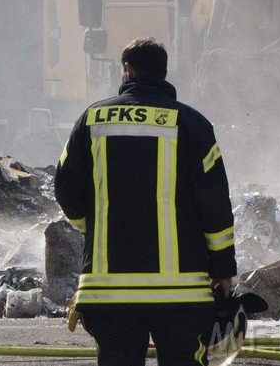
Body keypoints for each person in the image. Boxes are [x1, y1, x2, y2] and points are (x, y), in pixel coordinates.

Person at [54, 37, 236, 366]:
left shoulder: (92, 120)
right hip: (181, 293)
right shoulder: (192, 124)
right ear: (164, 73)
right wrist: (223, 269)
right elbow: (214, 203)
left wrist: (90, 229)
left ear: (127, 70)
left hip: (109, 291)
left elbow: (66, 189)